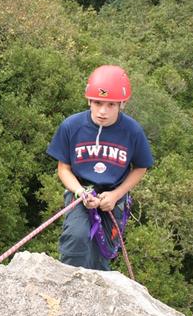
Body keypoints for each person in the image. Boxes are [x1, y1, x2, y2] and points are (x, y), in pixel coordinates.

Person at [46, 65, 153, 270]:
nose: (103, 111)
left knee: (102, 254)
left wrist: (115, 195)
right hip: (81, 192)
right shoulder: (72, 126)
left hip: (113, 198)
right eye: (97, 103)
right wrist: (80, 192)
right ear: (89, 100)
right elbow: (64, 169)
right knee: (75, 239)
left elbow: (140, 167)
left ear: (122, 103)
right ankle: (69, 288)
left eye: (111, 105)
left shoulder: (132, 131)